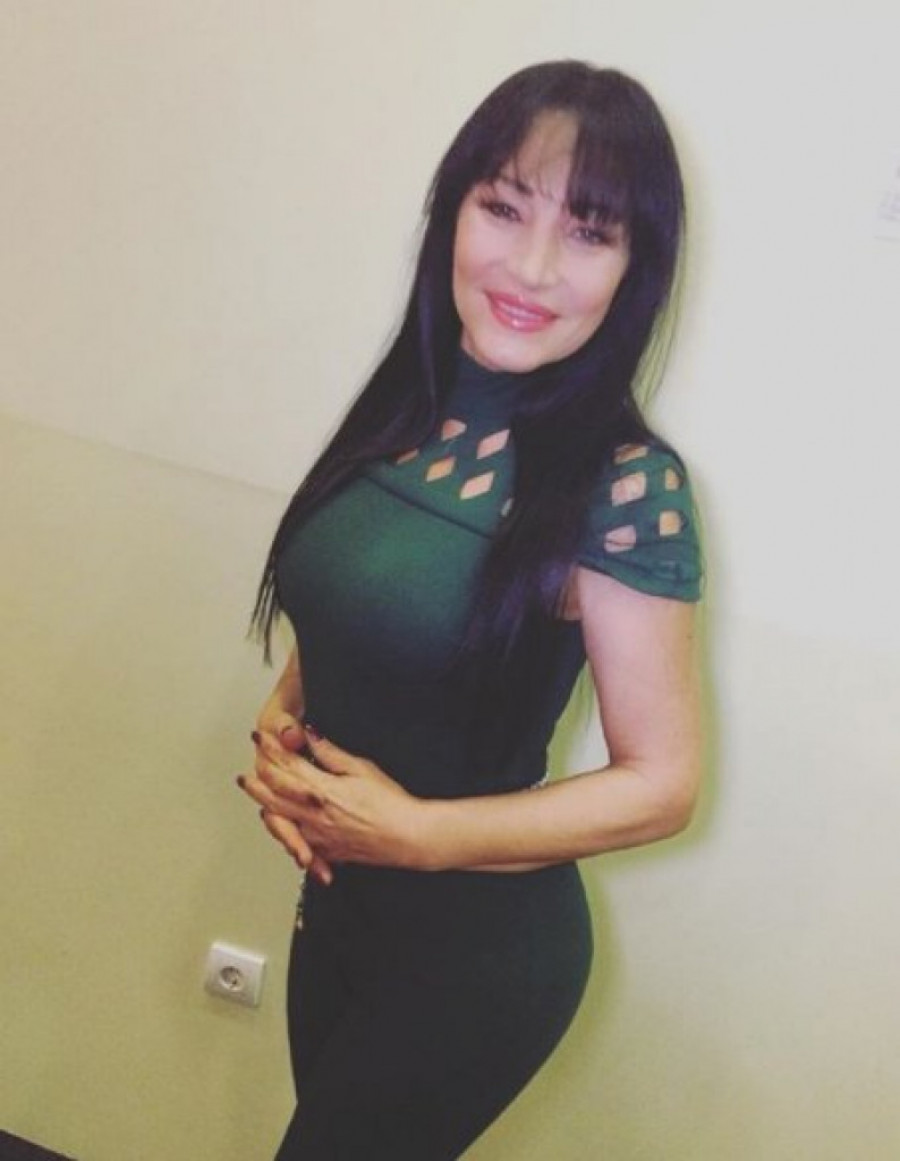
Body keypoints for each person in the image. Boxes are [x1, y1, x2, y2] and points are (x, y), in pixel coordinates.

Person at [238, 59, 704, 1160]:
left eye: (589, 233)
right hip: (337, 906)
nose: (533, 266)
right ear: (452, 211)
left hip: (478, 959)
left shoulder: (626, 487)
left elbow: (663, 783)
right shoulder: (408, 406)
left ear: (634, 269)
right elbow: (360, 599)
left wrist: (419, 833)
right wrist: (285, 719)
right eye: (504, 207)